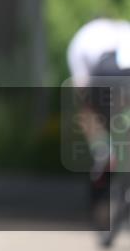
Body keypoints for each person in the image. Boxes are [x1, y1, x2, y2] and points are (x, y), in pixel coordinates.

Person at [67, 17, 130, 231]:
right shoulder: (125, 29)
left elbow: (82, 88)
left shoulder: (81, 39)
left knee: (87, 109)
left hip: (105, 72)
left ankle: (104, 153)